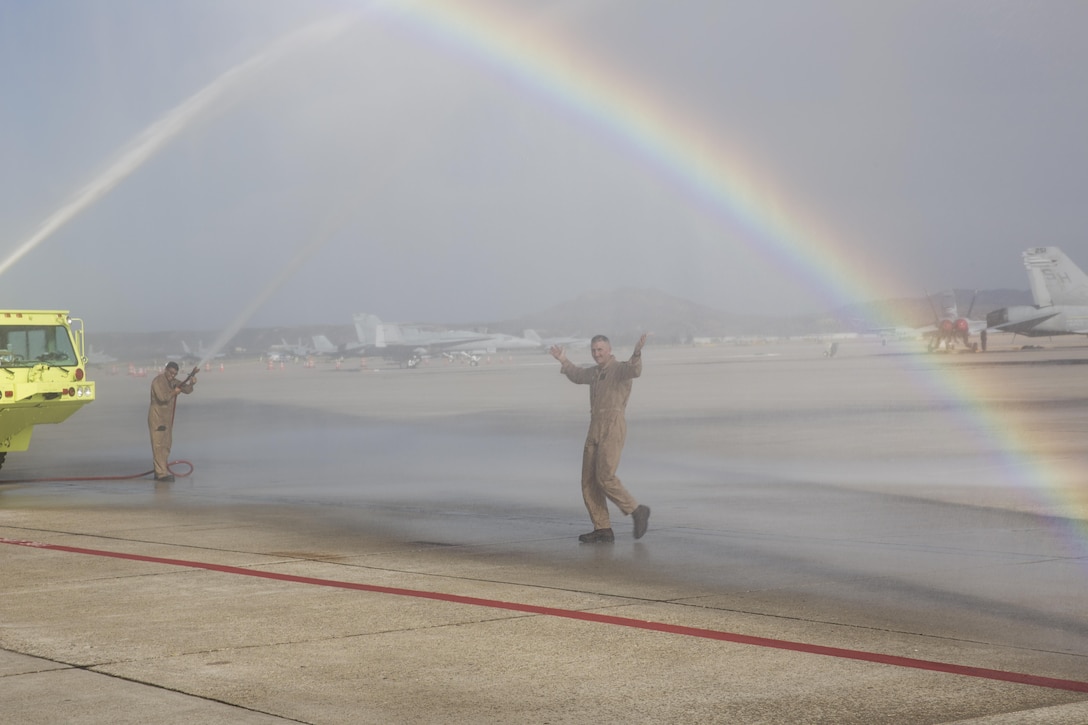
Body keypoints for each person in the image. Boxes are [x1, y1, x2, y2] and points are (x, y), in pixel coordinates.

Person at [551, 333, 650, 543]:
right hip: (594, 426)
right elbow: (578, 375)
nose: (597, 354)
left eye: (600, 350)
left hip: (613, 425)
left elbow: (635, 370)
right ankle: (602, 528)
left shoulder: (619, 369)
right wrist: (563, 361)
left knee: (605, 476)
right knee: (588, 481)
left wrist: (637, 351)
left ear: (609, 350)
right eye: (594, 350)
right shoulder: (595, 372)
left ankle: (636, 510)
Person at [148, 361, 196, 482]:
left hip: (166, 419)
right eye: (171, 373)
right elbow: (162, 397)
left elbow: (186, 389)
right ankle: (161, 473)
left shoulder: (173, 381)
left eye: (175, 374)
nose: (172, 376)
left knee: (166, 445)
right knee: (158, 445)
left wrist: (191, 383)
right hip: (157, 418)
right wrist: (174, 392)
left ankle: (160, 471)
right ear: (166, 370)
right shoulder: (158, 381)